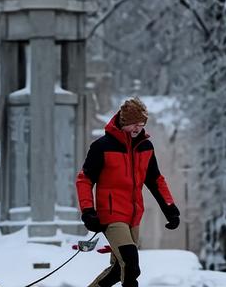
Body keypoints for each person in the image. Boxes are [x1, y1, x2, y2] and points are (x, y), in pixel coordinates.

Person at [76, 97, 180, 287]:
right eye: (133, 124)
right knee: (131, 264)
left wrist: (170, 209)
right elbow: (85, 180)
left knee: (119, 270)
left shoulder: (145, 147)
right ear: (124, 122)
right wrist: (88, 211)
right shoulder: (102, 146)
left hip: (134, 215)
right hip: (111, 214)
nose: (137, 129)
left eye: (141, 124)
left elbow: (156, 180)